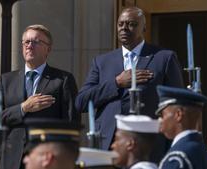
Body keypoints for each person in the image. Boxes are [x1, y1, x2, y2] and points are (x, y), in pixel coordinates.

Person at [75, 6, 184, 162]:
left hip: (149, 147)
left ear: (144, 27)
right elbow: (81, 102)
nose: (124, 28)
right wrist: (117, 83)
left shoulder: (163, 58)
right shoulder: (102, 62)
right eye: (121, 24)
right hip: (109, 146)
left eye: (131, 24)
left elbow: (176, 105)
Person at [0, 24, 78, 169]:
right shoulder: (6, 80)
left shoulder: (62, 80)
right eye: (26, 42)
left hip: (46, 160)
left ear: (48, 49)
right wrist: (23, 108)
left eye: (36, 42)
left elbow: (71, 124)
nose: (29, 46)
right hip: (12, 161)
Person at [156, 85, 207, 169]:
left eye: (162, 115)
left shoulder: (176, 158)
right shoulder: (203, 152)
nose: (160, 120)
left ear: (178, 114)